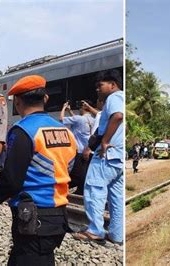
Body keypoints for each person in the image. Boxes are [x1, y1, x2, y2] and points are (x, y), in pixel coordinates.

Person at [0, 75, 77, 265]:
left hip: (32, 218)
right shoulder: (65, 131)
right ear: (45, 99)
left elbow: (12, 179)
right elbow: (71, 167)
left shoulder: (23, 131)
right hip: (59, 216)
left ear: (19, 102)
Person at [72, 69, 124, 244]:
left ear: (112, 84)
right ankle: (117, 234)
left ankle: (95, 230)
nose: (97, 89)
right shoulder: (123, 98)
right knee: (116, 197)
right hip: (118, 157)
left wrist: (105, 140)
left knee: (94, 189)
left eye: (100, 85)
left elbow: (118, 116)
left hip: (106, 155)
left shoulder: (114, 98)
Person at [60, 100, 94, 195]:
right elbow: (76, 119)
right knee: (85, 172)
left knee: (76, 174)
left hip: (79, 151)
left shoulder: (79, 119)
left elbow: (61, 119)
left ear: (83, 108)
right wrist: (70, 111)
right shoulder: (93, 119)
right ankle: (81, 190)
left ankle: (66, 189)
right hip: (90, 150)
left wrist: (63, 108)